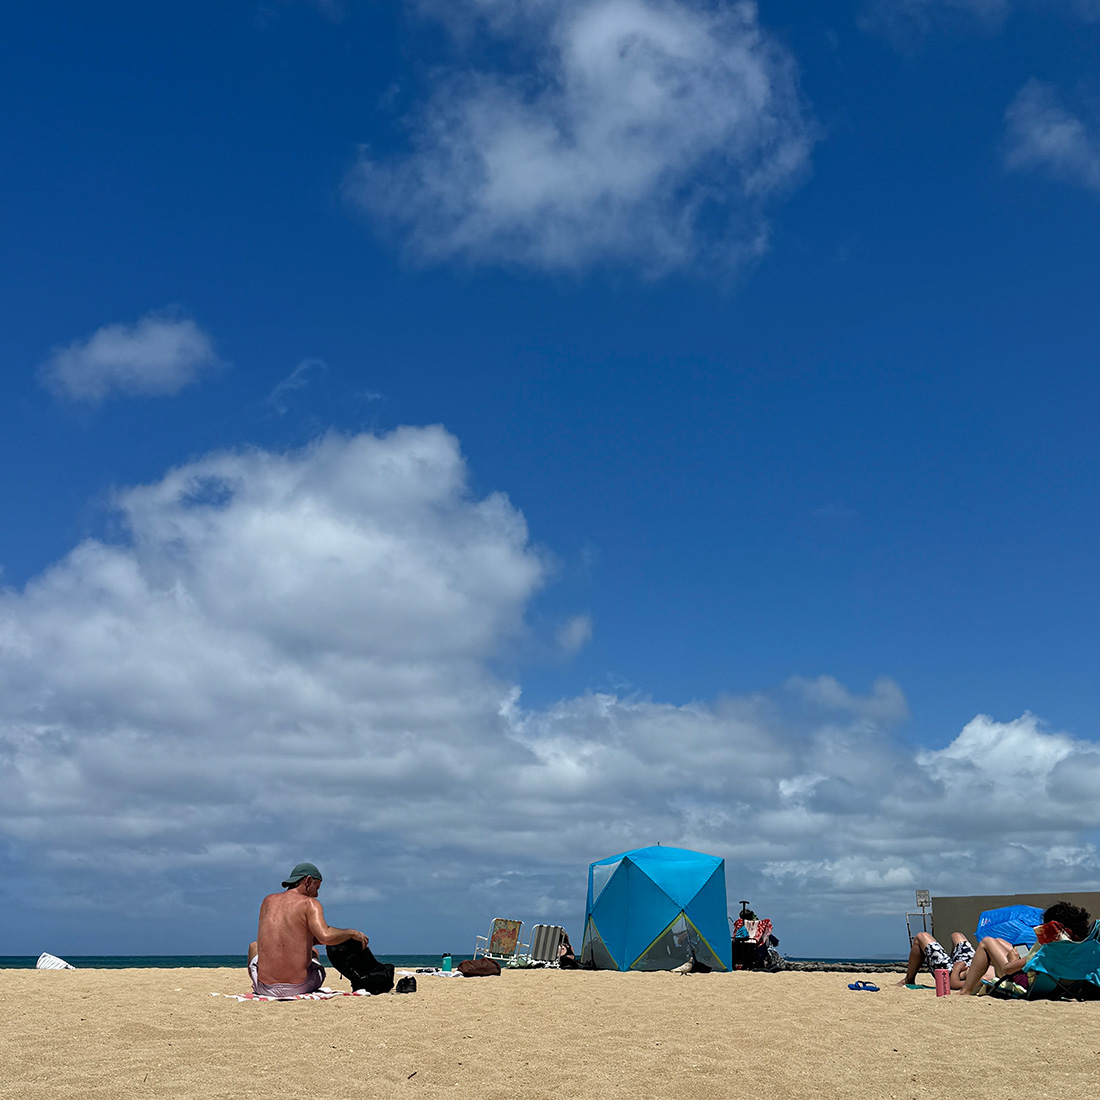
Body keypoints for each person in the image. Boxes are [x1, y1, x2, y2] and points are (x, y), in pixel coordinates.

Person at [247, 862, 370, 998]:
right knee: (313, 952)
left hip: (264, 987)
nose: (316, 894)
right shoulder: (310, 904)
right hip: (298, 986)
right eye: (316, 887)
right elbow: (325, 936)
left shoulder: (267, 901)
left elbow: (274, 937)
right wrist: (352, 933)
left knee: (254, 946)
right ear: (308, 881)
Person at [954, 900, 1093, 996]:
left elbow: (1008, 970)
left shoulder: (1051, 948)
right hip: (1062, 984)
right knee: (1001, 942)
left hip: (1029, 985)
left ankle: (965, 991)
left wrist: (1012, 960)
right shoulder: (1083, 946)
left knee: (987, 942)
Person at [897, 930, 975, 990]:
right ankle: (950, 961)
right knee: (957, 935)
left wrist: (957, 968)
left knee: (921, 936)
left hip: (951, 974)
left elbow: (953, 984)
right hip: (968, 963)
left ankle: (909, 979)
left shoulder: (982, 979)